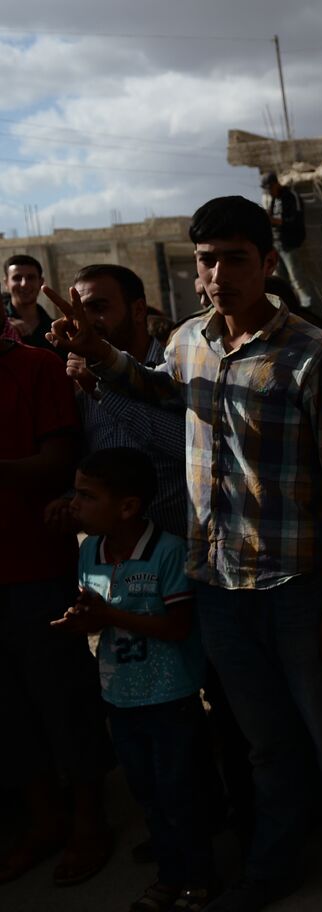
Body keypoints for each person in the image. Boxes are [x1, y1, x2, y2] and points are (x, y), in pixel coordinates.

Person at [46, 195, 322, 912]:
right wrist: (100, 353)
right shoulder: (187, 341)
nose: (218, 274)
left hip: (298, 591)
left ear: (267, 263)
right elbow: (155, 387)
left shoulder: (315, 353)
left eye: (236, 258)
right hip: (220, 589)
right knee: (266, 747)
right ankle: (275, 866)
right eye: (207, 260)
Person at [55, 447, 216, 912]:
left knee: (180, 795)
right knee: (148, 795)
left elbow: (179, 627)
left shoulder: (166, 552)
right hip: (120, 697)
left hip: (170, 697)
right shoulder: (90, 550)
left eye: (86, 496)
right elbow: (98, 615)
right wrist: (84, 619)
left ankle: (199, 880)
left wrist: (110, 613)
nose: (75, 504)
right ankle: (170, 876)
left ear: (127, 506)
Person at [0, 314, 111, 888]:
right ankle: (44, 821)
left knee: (61, 699)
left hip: (34, 568)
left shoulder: (36, 368)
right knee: (10, 711)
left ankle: (90, 820)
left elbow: (58, 460)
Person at [44, 264, 187, 538]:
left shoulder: (179, 369)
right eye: (80, 312)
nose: (87, 322)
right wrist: (69, 499)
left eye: (98, 307)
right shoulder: (81, 380)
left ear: (138, 310)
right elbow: (92, 463)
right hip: (118, 564)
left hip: (184, 558)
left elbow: (191, 446)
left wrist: (101, 392)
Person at [260, 172, 322, 313]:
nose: (269, 192)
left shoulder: (290, 197)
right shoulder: (273, 200)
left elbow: (295, 221)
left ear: (276, 184)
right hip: (276, 244)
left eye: (270, 188)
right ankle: (287, 308)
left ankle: (310, 309)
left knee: (297, 278)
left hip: (289, 244)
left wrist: (274, 221)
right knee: (281, 281)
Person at [5, 253, 56, 350]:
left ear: (41, 282)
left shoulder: (56, 330)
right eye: (17, 278)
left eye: (31, 277)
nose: (24, 284)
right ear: (6, 283)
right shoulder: (3, 325)